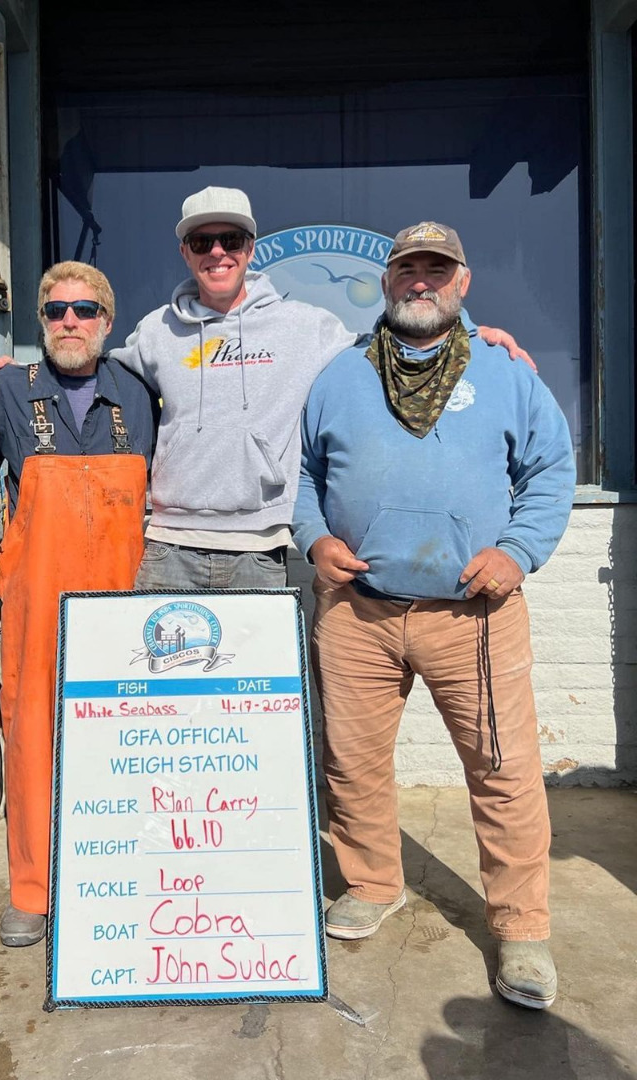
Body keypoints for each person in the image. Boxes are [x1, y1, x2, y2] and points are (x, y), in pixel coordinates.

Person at [291, 221, 576, 1009]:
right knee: (349, 761)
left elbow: (551, 470)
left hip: (474, 614)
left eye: (436, 269)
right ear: (387, 282)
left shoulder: (507, 371)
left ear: (463, 281)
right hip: (359, 613)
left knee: (504, 771)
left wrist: (517, 552)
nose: (421, 281)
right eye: (407, 268)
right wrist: (314, 540)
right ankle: (374, 883)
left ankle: (521, 931)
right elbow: (308, 474)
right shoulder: (340, 374)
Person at [0, 188, 528, 591]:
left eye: (231, 240)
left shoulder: (306, 328)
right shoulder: (155, 332)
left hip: (261, 548)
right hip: (167, 547)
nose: (216, 252)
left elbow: (397, 338)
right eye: (202, 241)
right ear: (185, 252)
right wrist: (18, 369)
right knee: (159, 701)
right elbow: (88, 361)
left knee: (250, 708)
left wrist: (474, 336)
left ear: (250, 248)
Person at [0, 261, 158, 947]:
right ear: (41, 321)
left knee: (126, 746)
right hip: (35, 608)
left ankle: (125, 878)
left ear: (107, 322)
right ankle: (33, 890)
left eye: (85, 311)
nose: (69, 323)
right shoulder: (2, 390)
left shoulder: (144, 394)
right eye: (55, 312)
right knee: (32, 742)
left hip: (124, 606)